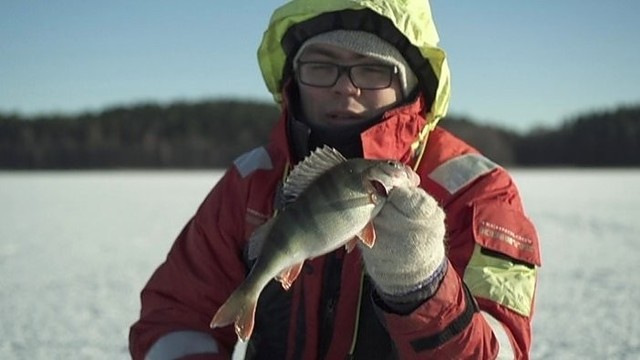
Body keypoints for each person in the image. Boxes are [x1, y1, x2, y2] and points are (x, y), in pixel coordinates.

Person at [129, 0, 541, 358]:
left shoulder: (477, 191)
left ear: (409, 85)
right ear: (294, 76)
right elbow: (174, 316)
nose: (345, 89)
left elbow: (501, 351)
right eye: (322, 66)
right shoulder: (251, 182)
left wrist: (424, 289)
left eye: (372, 70)